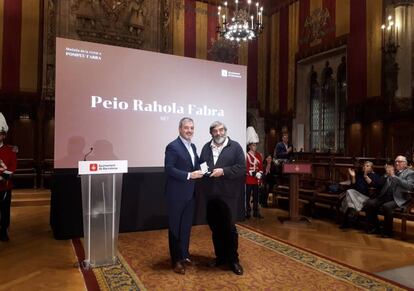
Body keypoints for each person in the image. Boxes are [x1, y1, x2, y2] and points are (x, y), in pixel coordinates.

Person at [199, 121, 245, 275]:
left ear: (225, 131)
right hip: (211, 195)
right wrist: (204, 172)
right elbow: (202, 166)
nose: (218, 133)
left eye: (220, 130)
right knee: (216, 228)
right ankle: (220, 257)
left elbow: (241, 168)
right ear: (211, 133)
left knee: (230, 228)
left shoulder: (236, 147)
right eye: (214, 131)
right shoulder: (206, 147)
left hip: (229, 195)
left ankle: (233, 260)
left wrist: (223, 171)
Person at [164, 117, 203, 274]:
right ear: (180, 129)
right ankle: (176, 261)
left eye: (192, 128)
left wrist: (207, 169)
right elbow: (169, 169)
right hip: (176, 194)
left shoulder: (192, 146)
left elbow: (197, 165)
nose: (189, 131)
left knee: (186, 226)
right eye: (186, 128)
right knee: (175, 227)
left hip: (190, 194)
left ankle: (184, 255)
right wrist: (189, 175)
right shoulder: (172, 146)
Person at [365, 156, 414, 238]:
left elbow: (410, 186)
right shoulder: (392, 170)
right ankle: (376, 227)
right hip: (385, 195)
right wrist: (385, 175)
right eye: (396, 161)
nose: (397, 163)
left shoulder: (410, 173)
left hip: (399, 197)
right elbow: (379, 184)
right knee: (370, 203)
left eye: (400, 161)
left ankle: (388, 231)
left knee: (387, 206)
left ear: (405, 164)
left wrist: (394, 176)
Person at [339, 161, 381, 229]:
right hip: (356, 195)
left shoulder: (375, 176)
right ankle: (352, 214)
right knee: (350, 191)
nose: (365, 167)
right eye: (364, 165)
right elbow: (354, 185)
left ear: (372, 168)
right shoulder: (359, 174)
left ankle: (349, 217)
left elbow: (374, 185)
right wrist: (353, 176)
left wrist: (365, 176)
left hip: (367, 197)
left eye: (367, 166)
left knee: (348, 194)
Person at [0, 112, 17, 242]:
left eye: (1, 133)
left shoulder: (10, 150)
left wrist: (3, 177)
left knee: (5, 211)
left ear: (4, 135)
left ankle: (4, 231)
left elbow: (12, 168)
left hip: (5, 187)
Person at [245, 142, 263, 219]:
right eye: (253, 145)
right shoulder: (247, 155)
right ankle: (248, 211)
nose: (255, 147)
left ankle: (256, 211)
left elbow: (261, 166)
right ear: (249, 146)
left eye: (256, 145)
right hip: (249, 178)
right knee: (248, 196)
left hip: (256, 179)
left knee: (256, 196)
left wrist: (259, 173)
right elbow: (246, 167)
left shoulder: (258, 155)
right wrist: (254, 173)